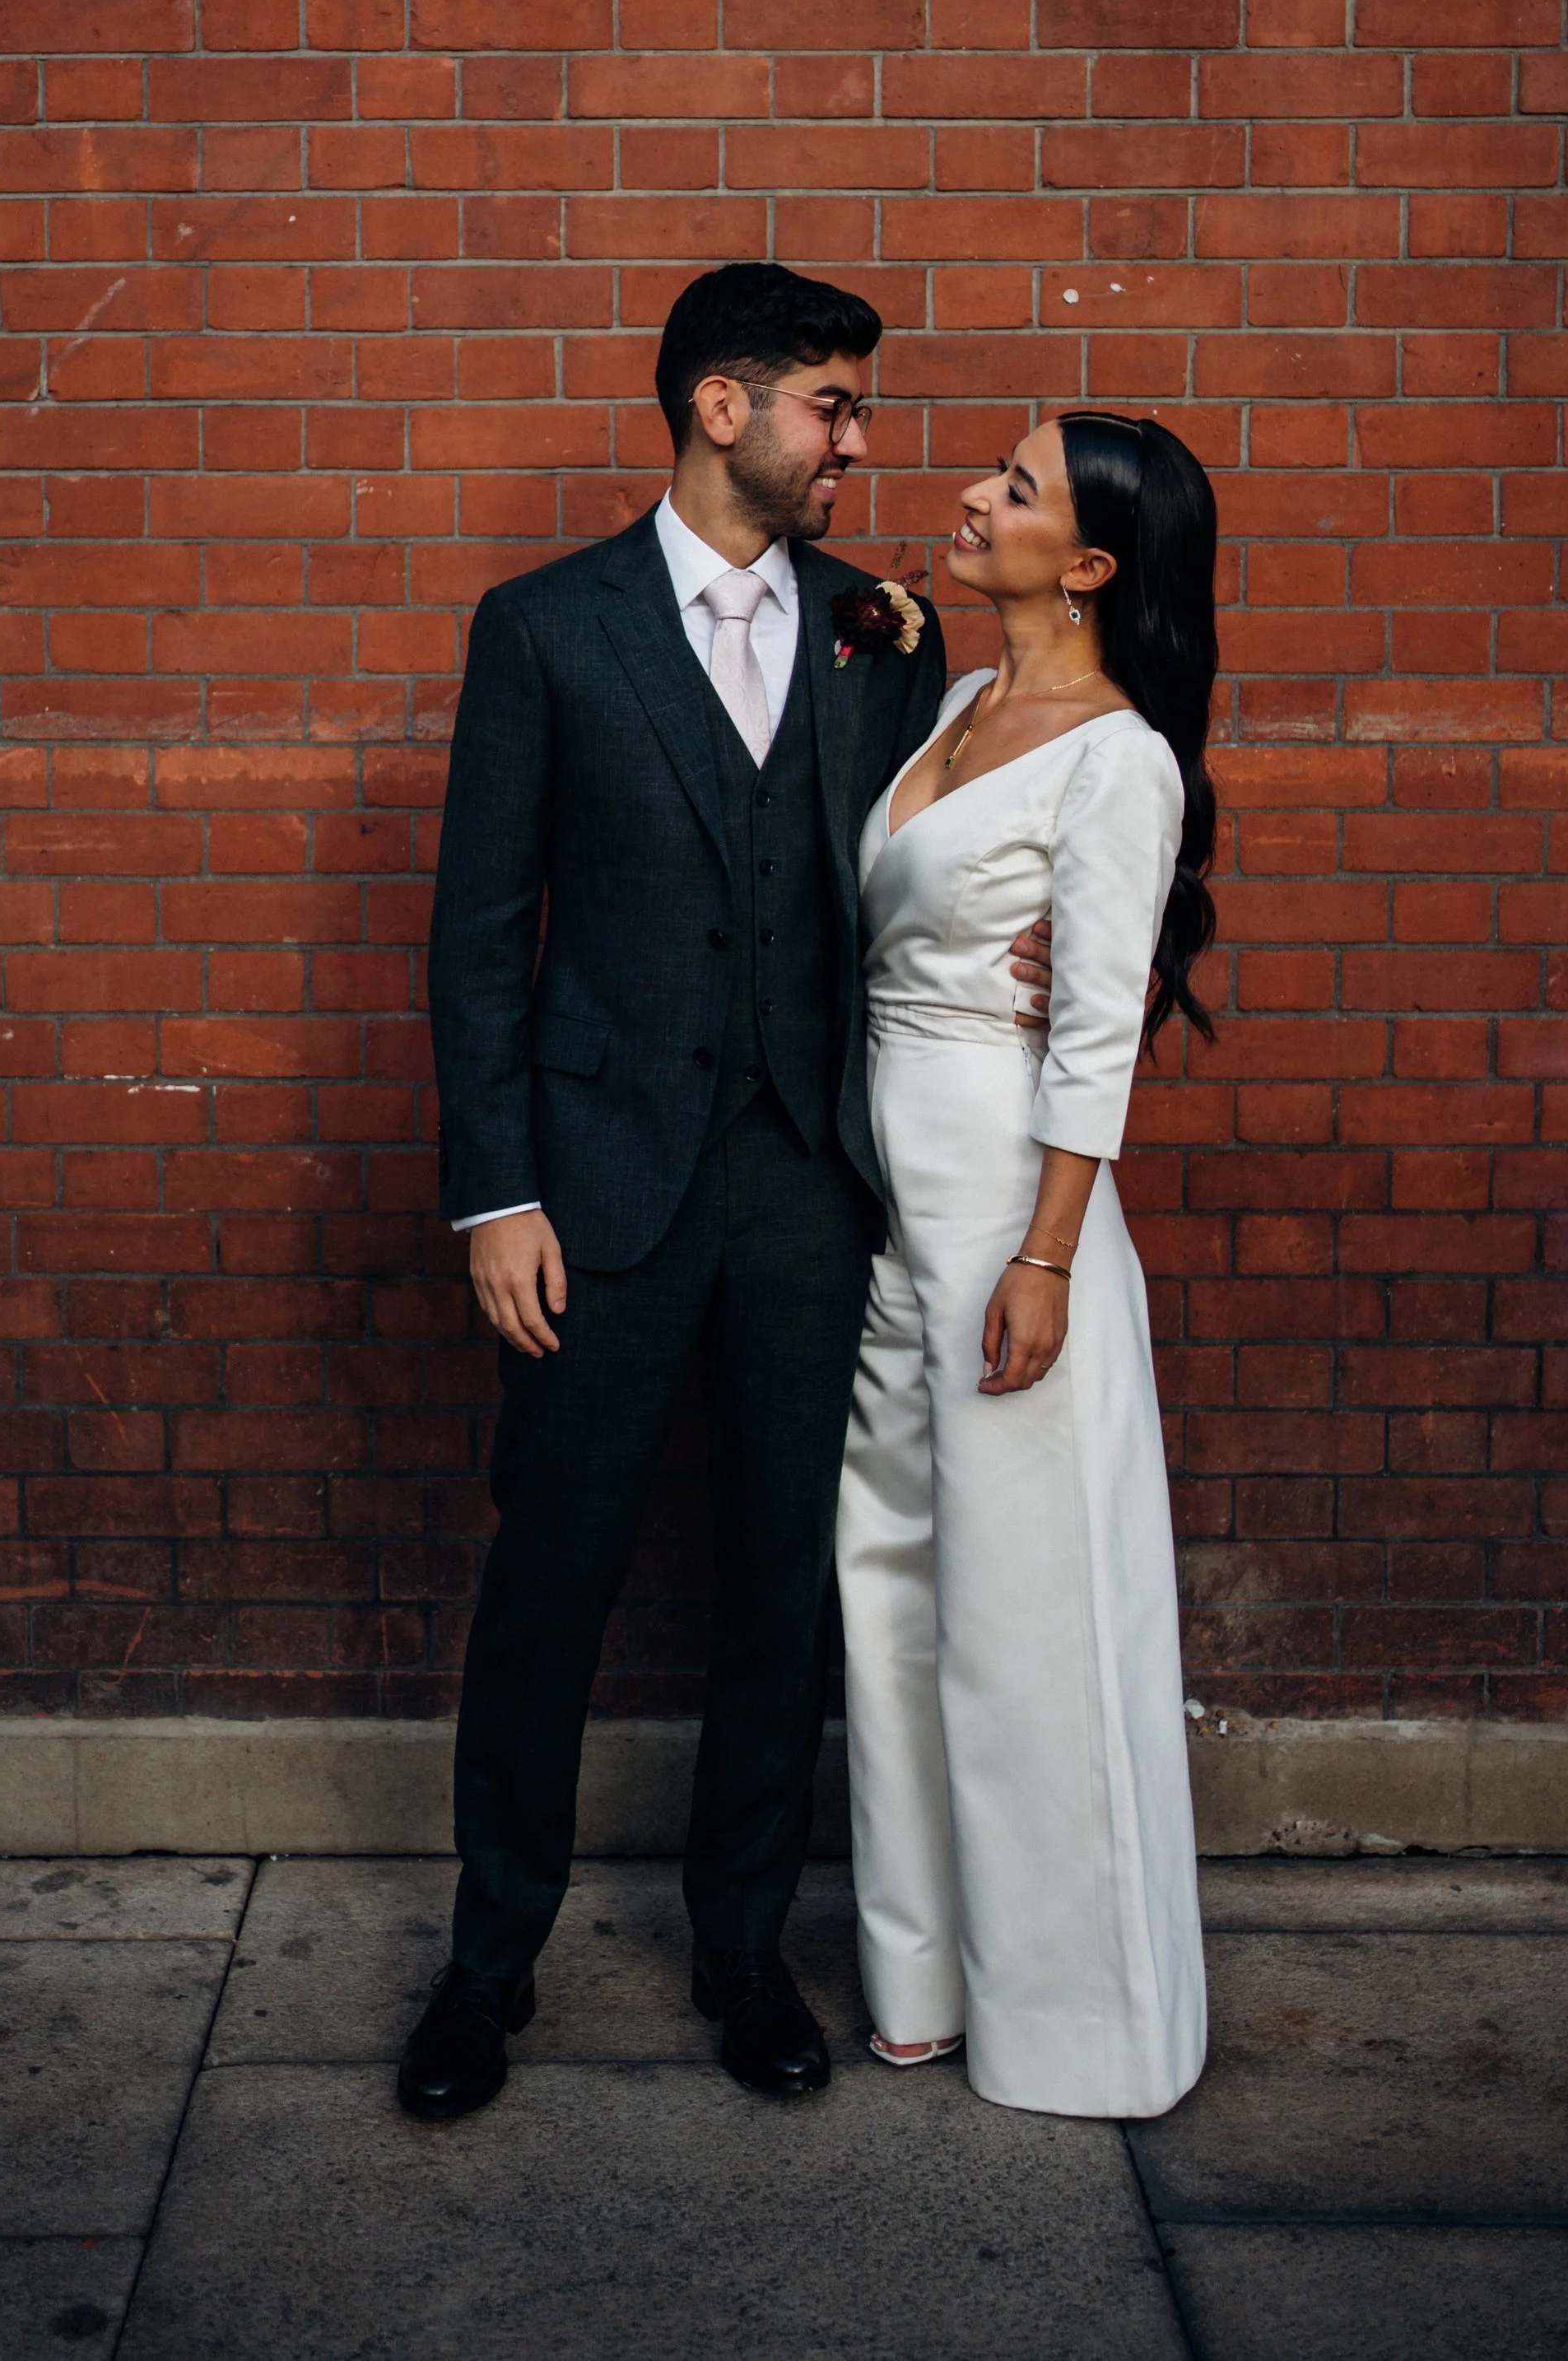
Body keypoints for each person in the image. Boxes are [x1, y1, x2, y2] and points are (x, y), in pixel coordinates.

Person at [401, 261, 1054, 2122]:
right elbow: (475, 941)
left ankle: (742, 1948)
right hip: (593, 1193)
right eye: (829, 405)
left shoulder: (885, 628)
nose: (856, 439)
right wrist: (493, 1195)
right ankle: (486, 1967)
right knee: (553, 1582)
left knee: (787, 1588)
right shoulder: (542, 629)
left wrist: (1022, 951)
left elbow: (962, 839)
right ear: (719, 408)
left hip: (806, 1189)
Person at [837, 408, 1215, 2120]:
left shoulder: (1116, 758)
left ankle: (1079, 2022)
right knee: (892, 1592)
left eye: (1012, 489)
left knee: (1024, 1626)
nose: (967, 499)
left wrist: (1048, 1256)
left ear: (1085, 567)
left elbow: (1089, 1038)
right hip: (889, 1203)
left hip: (1008, 1211)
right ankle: (918, 1979)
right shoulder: (954, 704)